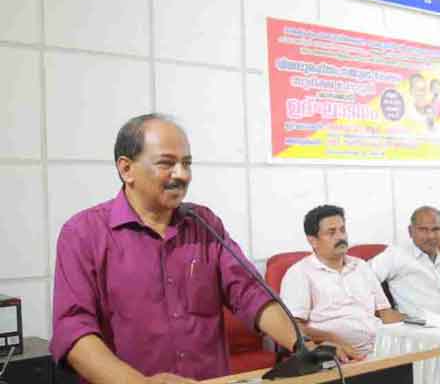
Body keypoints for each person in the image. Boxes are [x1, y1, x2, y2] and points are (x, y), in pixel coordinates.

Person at [50, 114, 299, 383]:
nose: (182, 175)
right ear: (126, 169)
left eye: (186, 163)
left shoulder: (204, 223)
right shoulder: (83, 233)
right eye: (166, 163)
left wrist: (302, 346)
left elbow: (249, 292)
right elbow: (73, 331)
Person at [281, 205, 403, 361]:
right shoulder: (299, 273)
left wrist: (419, 325)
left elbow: (385, 313)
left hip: (383, 348)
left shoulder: (360, 266)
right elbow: (292, 326)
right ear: (313, 241)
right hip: (338, 357)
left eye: (342, 230)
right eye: (331, 232)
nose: (340, 237)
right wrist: (330, 338)